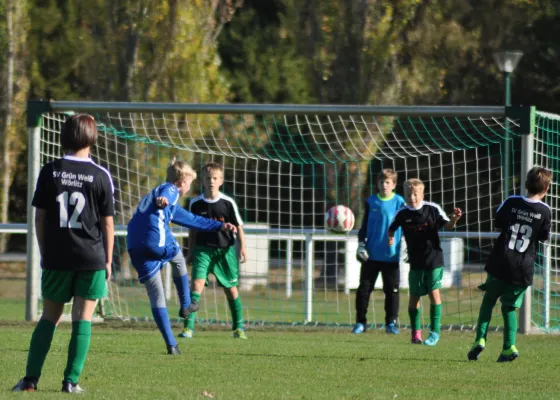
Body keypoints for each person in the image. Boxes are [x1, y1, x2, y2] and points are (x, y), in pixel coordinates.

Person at [12, 114, 115, 393]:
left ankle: (30, 380)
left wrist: (45, 251)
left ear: (64, 136)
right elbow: (107, 223)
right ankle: (71, 382)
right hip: (91, 258)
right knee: (83, 318)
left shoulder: (49, 171)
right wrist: (107, 260)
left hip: (57, 257)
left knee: (49, 316)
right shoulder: (101, 175)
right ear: (92, 137)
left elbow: (40, 218)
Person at [127, 158, 237, 355]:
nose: (189, 187)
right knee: (178, 256)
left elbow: (194, 220)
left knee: (156, 295)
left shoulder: (170, 205)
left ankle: (171, 345)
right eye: (190, 183)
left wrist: (221, 225)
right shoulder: (169, 190)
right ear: (182, 182)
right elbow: (166, 194)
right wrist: (164, 200)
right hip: (154, 241)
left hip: (134, 247)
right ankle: (186, 304)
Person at [468, 167, 552, 362]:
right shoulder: (545, 211)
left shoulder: (511, 202)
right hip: (522, 268)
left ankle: (480, 339)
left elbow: (498, 222)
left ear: (525, 184)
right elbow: (543, 237)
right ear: (546, 188)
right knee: (509, 308)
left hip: (500, 262)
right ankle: (508, 347)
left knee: (488, 301)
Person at [388, 178, 462, 346]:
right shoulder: (402, 213)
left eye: (415, 194)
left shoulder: (432, 209)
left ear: (422, 194)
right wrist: (390, 238)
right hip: (415, 262)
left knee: (433, 294)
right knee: (414, 298)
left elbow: (448, 226)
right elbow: (391, 228)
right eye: (408, 194)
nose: (411, 197)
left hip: (434, 259)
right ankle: (416, 333)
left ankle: (435, 333)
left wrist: (455, 219)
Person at [179, 162, 248, 339]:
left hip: (224, 252)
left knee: (231, 290)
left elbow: (239, 226)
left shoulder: (227, 203)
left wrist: (243, 248)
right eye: (208, 178)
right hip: (203, 251)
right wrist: (190, 251)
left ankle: (238, 328)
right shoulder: (195, 203)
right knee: (196, 286)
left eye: (215, 178)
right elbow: (192, 230)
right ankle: (188, 328)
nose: (211, 181)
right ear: (202, 180)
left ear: (221, 181)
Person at [353, 169, 405, 334]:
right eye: (382, 182)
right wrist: (361, 244)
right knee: (363, 290)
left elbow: (407, 227)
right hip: (371, 256)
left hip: (391, 256)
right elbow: (364, 227)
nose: (384, 185)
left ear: (394, 185)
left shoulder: (400, 202)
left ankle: (391, 323)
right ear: (377, 184)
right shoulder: (371, 201)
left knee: (392, 291)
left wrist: (408, 246)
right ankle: (361, 323)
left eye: (388, 182)